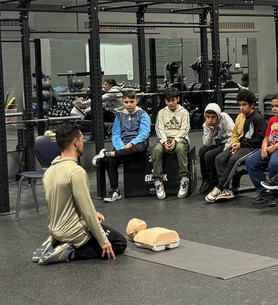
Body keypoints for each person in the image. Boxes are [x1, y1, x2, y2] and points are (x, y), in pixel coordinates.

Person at [35, 124, 128, 265]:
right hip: (74, 232)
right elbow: (87, 211)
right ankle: (69, 253)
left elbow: (63, 202)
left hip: (55, 229)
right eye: (82, 140)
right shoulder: (76, 172)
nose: (83, 144)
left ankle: (56, 242)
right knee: (119, 243)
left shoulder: (49, 171)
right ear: (75, 142)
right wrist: (103, 241)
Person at [207, 89, 266, 203]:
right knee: (220, 158)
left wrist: (240, 145)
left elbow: (259, 139)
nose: (241, 107)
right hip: (242, 145)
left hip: (253, 148)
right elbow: (235, 134)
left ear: (252, 105)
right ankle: (227, 190)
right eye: (240, 105)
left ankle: (220, 187)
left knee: (233, 159)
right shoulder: (241, 117)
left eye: (244, 105)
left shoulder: (257, 119)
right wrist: (234, 145)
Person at [92, 90, 151, 203]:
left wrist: (132, 143)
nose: (129, 104)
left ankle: (105, 154)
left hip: (137, 143)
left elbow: (144, 133)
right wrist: (120, 148)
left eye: (131, 101)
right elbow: (115, 134)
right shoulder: (119, 116)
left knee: (138, 150)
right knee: (111, 160)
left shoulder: (143, 115)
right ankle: (115, 191)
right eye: (126, 102)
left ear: (137, 101)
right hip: (123, 145)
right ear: (123, 102)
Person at [150, 86, 190, 200]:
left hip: (180, 138)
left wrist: (175, 140)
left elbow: (185, 129)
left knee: (180, 148)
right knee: (157, 150)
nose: (170, 103)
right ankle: (157, 180)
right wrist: (164, 141)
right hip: (165, 138)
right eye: (168, 101)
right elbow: (159, 129)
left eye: (173, 100)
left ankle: (184, 179)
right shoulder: (162, 113)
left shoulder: (184, 112)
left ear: (178, 99)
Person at [197, 102, 234, 194]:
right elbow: (207, 144)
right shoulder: (206, 124)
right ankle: (206, 178)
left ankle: (214, 181)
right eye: (208, 117)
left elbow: (233, 135)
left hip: (228, 143)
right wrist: (211, 131)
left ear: (218, 116)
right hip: (217, 144)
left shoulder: (224, 118)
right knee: (202, 151)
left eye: (213, 117)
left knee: (209, 155)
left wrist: (225, 151)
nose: (210, 120)